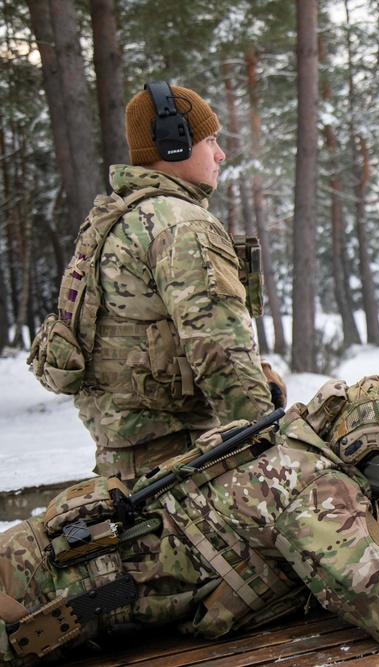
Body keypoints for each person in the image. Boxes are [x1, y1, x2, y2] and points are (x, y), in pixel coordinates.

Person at [0, 365, 379, 666]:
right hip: (27, 606)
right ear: (374, 455)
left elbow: (373, 523)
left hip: (50, 561)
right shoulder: (312, 488)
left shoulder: (299, 434)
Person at [28, 81, 282, 482]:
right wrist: (277, 449)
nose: (221, 154)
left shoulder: (115, 220)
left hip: (128, 464)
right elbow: (222, 354)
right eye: (210, 140)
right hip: (185, 467)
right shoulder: (181, 224)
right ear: (173, 144)